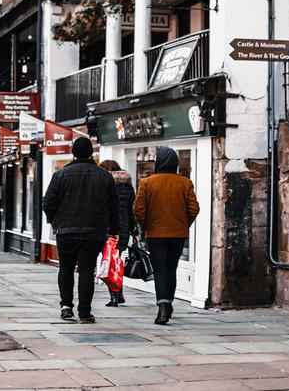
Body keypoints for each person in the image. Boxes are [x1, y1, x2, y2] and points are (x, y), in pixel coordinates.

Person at [43, 137, 119, 324]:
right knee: (87, 270)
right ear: (90, 152)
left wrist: (55, 222)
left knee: (66, 268)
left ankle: (66, 307)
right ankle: (85, 312)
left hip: (66, 230)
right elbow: (113, 206)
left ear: (74, 153)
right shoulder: (104, 176)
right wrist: (114, 229)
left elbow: (48, 202)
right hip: (94, 231)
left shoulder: (60, 175)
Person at [134, 147, 199, 325]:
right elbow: (194, 208)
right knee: (171, 268)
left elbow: (138, 210)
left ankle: (163, 306)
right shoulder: (185, 183)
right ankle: (168, 301)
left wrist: (144, 226)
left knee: (160, 269)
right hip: (177, 234)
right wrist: (183, 224)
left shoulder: (147, 183)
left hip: (155, 234)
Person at [98, 159, 138, 307]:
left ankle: (115, 295)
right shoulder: (127, 186)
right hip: (124, 229)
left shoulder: (104, 184)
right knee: (117, 261)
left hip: (109, 229)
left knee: (110, 262)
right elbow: (131, 210)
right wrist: (134, 230)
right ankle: (118, 293)